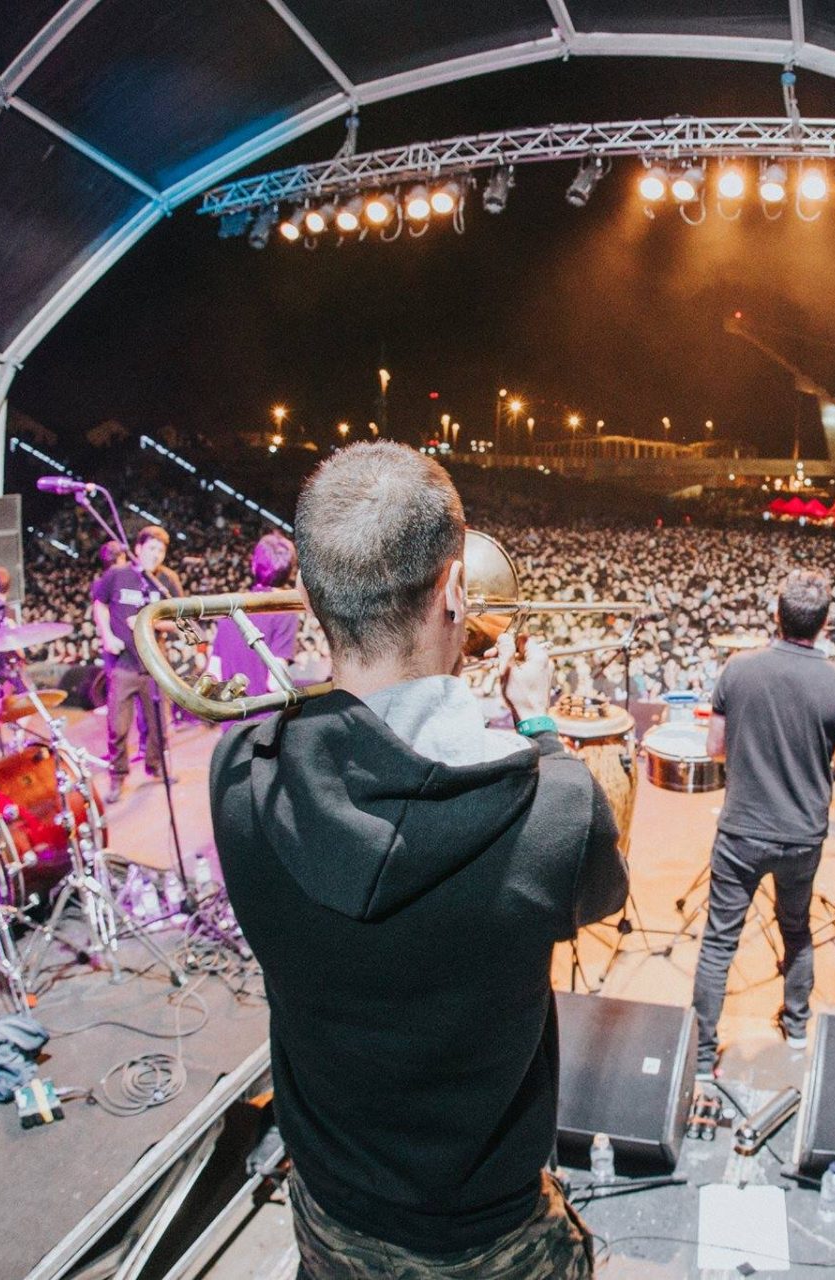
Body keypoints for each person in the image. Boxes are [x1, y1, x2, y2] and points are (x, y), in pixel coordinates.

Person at [210, 442, 627, 1280]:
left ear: (306, 598)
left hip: (328, 1209)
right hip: (490, 1234)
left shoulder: (237, 775)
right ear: (455, 590)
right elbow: (602, 880)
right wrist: (538, 725)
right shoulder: (554, 806)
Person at [692, 569, 835, 1078]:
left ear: (777, 614)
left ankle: (701, 1056)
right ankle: (797, 1026)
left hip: (741, 832)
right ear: (824, 623)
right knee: (797, 929)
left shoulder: (738, 669)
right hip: (802, 837)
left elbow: (714, 748)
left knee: (719, 942)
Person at [91, 526, 169, 803]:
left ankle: (155, 765)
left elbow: (178, 620)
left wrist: (149, 622)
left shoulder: (165, 581)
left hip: (154, 665)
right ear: (137, 549)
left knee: (158, 724)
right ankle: (118, 776)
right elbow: (99, 604)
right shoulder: (117, 575)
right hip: (123, 665)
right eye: (151, 548)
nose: (156, 555)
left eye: (161, 551)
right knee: (118, 726)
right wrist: (107, 635)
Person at [205, 531, 304, 721]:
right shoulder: (285, 611)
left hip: (231, 722)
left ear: (253, 565)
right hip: (264, 722)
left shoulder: (229, 607)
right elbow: (275, 683)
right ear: (290, 571)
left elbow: (213, 673)